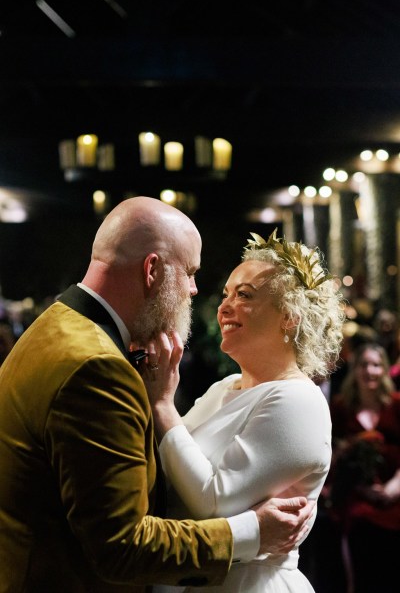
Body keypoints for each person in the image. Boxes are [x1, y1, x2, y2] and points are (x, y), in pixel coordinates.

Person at [0, 198, 313, 593]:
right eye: (189, 273)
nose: (195, 290)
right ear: (153, 270)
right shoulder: (97, 366)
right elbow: (122, 546)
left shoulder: (57, 323)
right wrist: (251, 532)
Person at [143, 229, 346, 592]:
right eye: (225, 295)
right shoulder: (224, 387)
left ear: (290, 316)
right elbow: (167, 465)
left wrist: (162, 404)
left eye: (245, 296)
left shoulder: (298, 401)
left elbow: (214, 505)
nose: (224, 307)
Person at [329, 342, 400, 593]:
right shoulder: (340, 407)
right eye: (364, 365)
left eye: (376, 365)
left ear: (384, 369)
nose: (370, 370)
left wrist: (393, 487)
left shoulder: (396, 404)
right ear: (355, 369)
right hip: (356, 494)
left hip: (394, 493)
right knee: (361, 524)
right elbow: (331, 455)